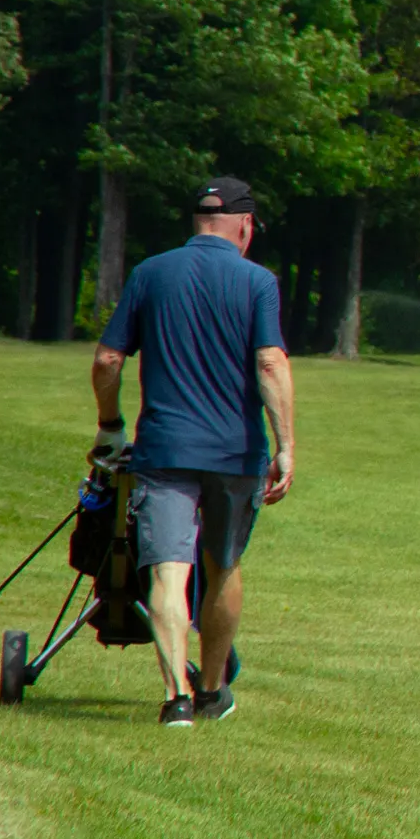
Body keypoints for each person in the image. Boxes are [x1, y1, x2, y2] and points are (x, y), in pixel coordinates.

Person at [90, 177, 295, 729]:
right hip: (235, 454)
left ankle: (174, 697)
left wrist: (110, 424)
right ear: (244, 226)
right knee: (223, 567)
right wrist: (286, 447)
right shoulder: (258, 281)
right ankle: (211, 691)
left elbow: (109, 360)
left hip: (164, 451)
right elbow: (271, 364)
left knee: (168, 573)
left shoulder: (149, 273)